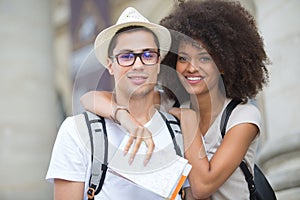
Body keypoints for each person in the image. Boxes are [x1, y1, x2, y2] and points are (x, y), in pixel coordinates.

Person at [81, 0, 270, 199]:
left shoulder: (243, 117)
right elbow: (90, 99)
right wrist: (123, 117)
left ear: (223, 64)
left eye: (204, 58)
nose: (191, 67)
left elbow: (202, 186)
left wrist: (189, 122)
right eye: (183, 58)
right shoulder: (171, 103)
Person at [46, 7, 191, 200]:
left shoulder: (181, 130)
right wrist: (123, 116)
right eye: (126, 56)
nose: (138, 65)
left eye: (148, 55)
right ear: (110, 65)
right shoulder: (76, 132)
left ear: (158, 63)